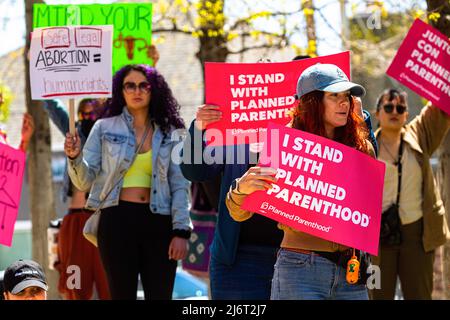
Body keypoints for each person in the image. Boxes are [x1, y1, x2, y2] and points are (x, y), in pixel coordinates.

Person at [226, 63, 375, 300]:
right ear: (313, 101)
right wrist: (240, 189)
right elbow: (238, 213)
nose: (344, 102)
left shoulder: (361, 147)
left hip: (351, 271)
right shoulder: (283, 145)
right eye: (334, 95)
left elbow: (368, 211)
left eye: (346, 96)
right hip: (299, 269)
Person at [64, 64, 192, 300]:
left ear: (154, 90)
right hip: (116, 221)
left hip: (160, 222)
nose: (137, 90)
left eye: (144, 85)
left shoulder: (172, 131)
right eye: (129, 85)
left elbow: (180, 184)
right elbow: (84, 181)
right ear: (120, 90)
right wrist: (74, 157)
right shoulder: (104, 127)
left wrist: (181, 231)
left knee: (161, 296)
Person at [372, 89, 450, 300]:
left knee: (419, 295)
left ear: (407, 115)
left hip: (417, 234)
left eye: (401, 108)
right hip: (377, 238)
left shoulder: (420, 134)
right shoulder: (367, 145)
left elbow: (442, 106)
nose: (394, 111)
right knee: (376, 295)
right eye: (388, 107)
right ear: (377, 113)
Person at [44, 98, 110, 300]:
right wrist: (37, 70)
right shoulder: (73, 134)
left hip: (103, 219)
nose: (88, 118)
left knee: (111, 284)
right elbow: (52, 106)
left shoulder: (113, 135)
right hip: (75, 221)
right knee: (75, 285)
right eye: (83, 114)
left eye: (93, 113)